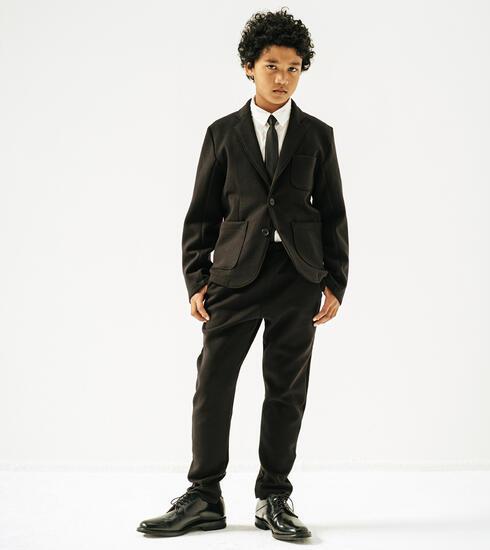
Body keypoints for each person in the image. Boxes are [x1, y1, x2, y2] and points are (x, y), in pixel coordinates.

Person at [137, 7, 349, 541]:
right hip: (233, 275)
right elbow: (202, 213)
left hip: (298, 275)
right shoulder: (223, 134)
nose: (283, 78)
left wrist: (335, 281)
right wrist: (196, 279)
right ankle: (204, 496)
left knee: (286, 389)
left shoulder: (317, 135)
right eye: (272, 66)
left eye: (293, 68)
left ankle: (273, 495)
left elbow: (333, 211)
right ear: (249, 67)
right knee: (213, 383)